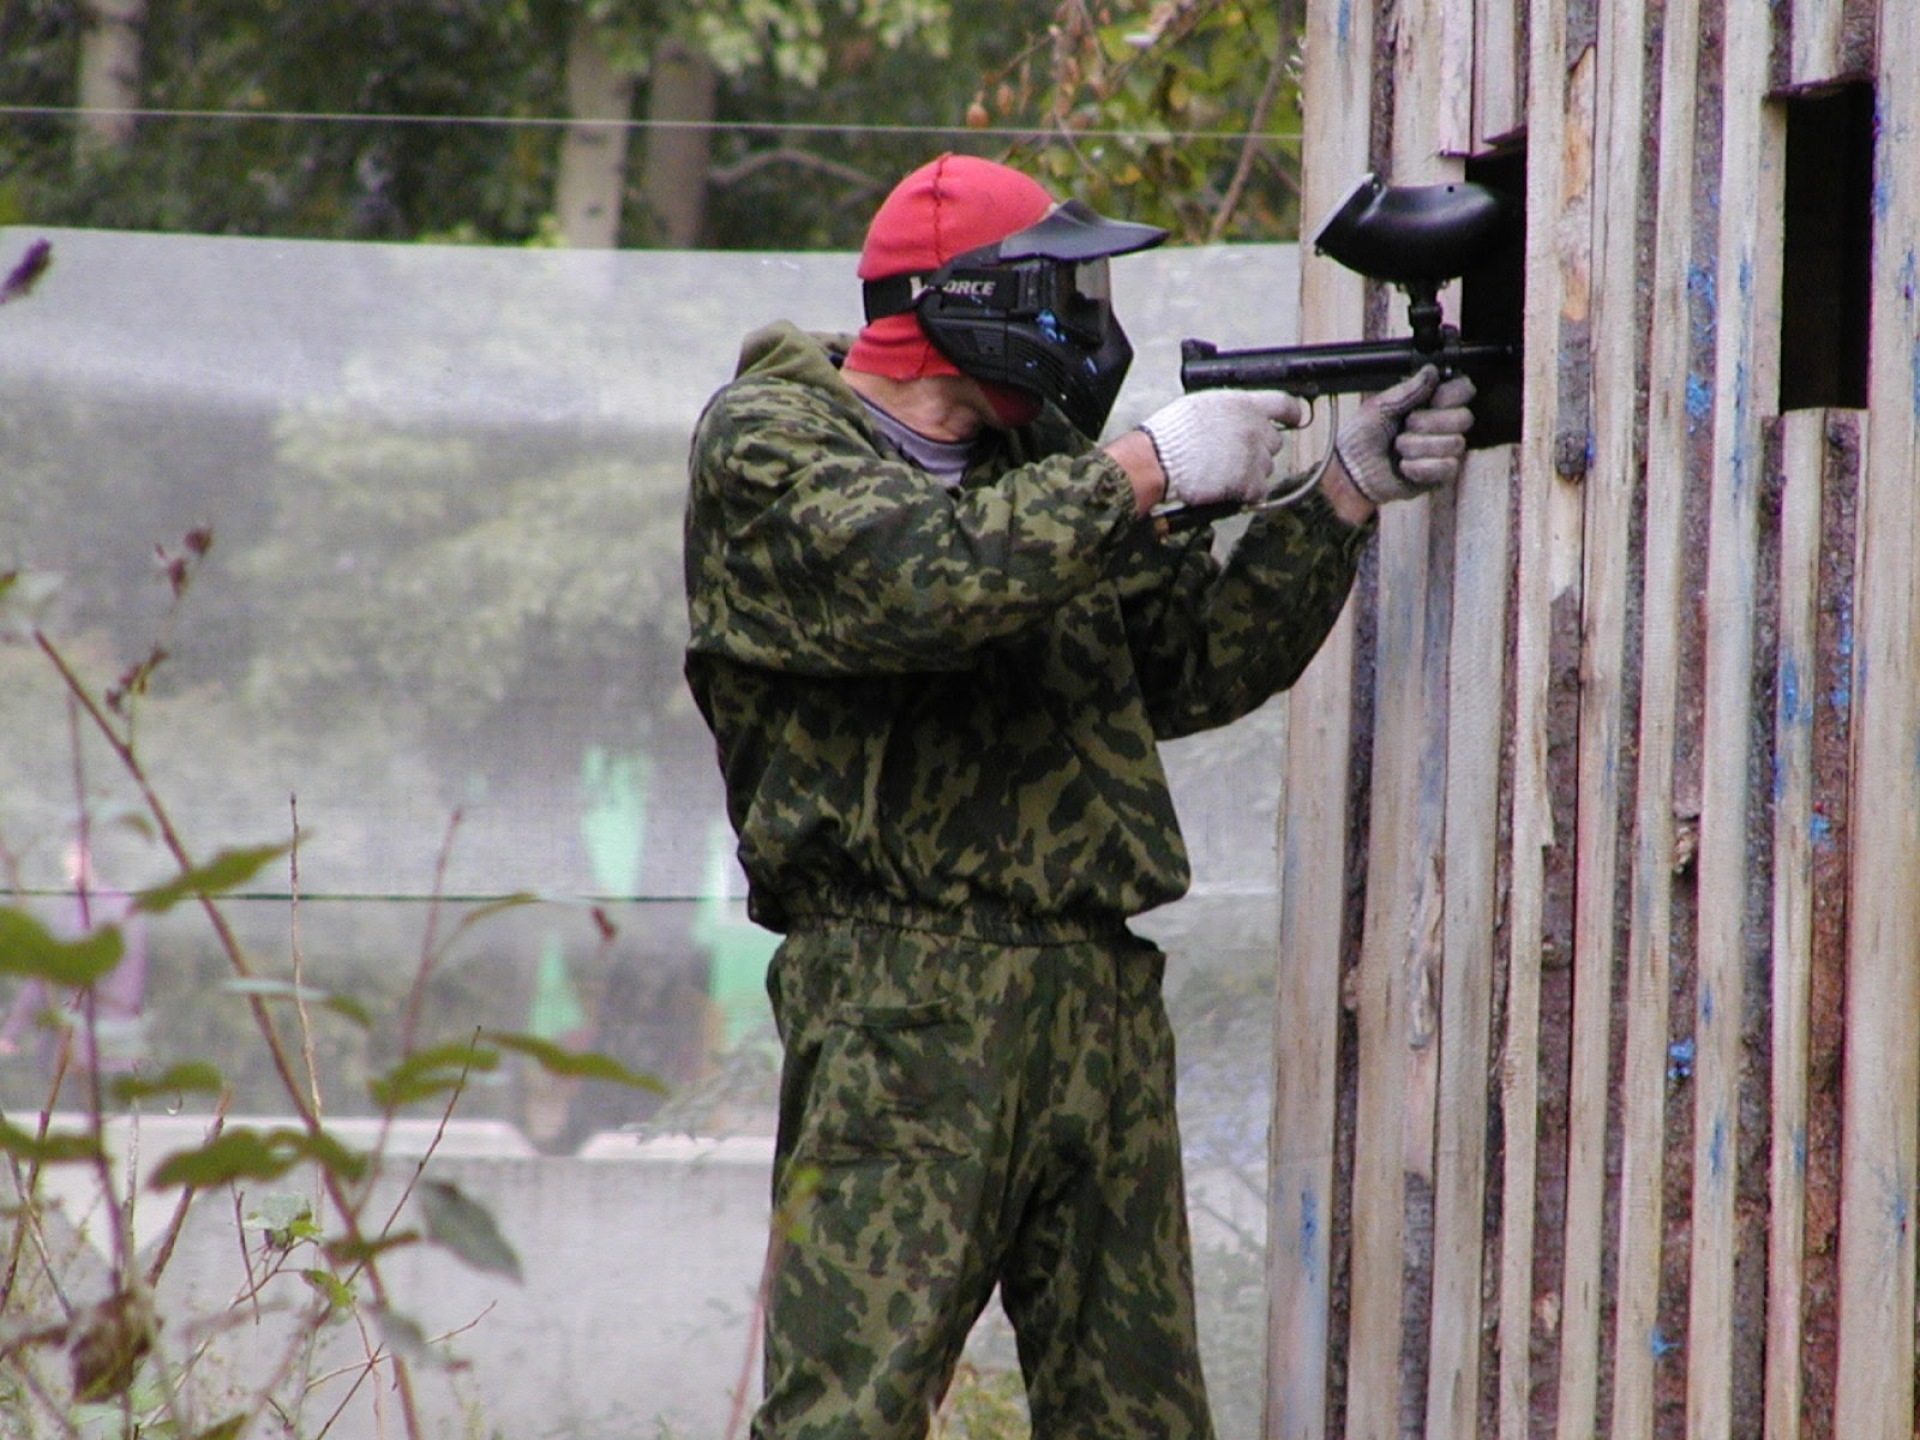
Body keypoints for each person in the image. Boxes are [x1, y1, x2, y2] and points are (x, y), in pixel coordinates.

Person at [682, 153, 1473, 1439]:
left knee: (1138, 1416)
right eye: (1067, 289)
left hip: (1096, 997)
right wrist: (1148, 469)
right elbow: (921, 583)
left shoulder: (1038, 457)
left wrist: (1339, 494)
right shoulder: (771, 441)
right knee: (849, 1413)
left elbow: (1191, 665)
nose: (1092, 321)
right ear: (970, 300)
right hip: (902, 1004)